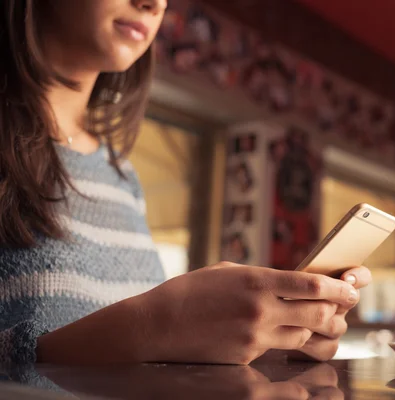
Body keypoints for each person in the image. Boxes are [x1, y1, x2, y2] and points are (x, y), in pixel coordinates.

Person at [0, 0, 372, 368]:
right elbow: (130, 337)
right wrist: (153, 325)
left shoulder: (122, 177)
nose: (152, 4)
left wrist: (268, 337)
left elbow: (130, 355)